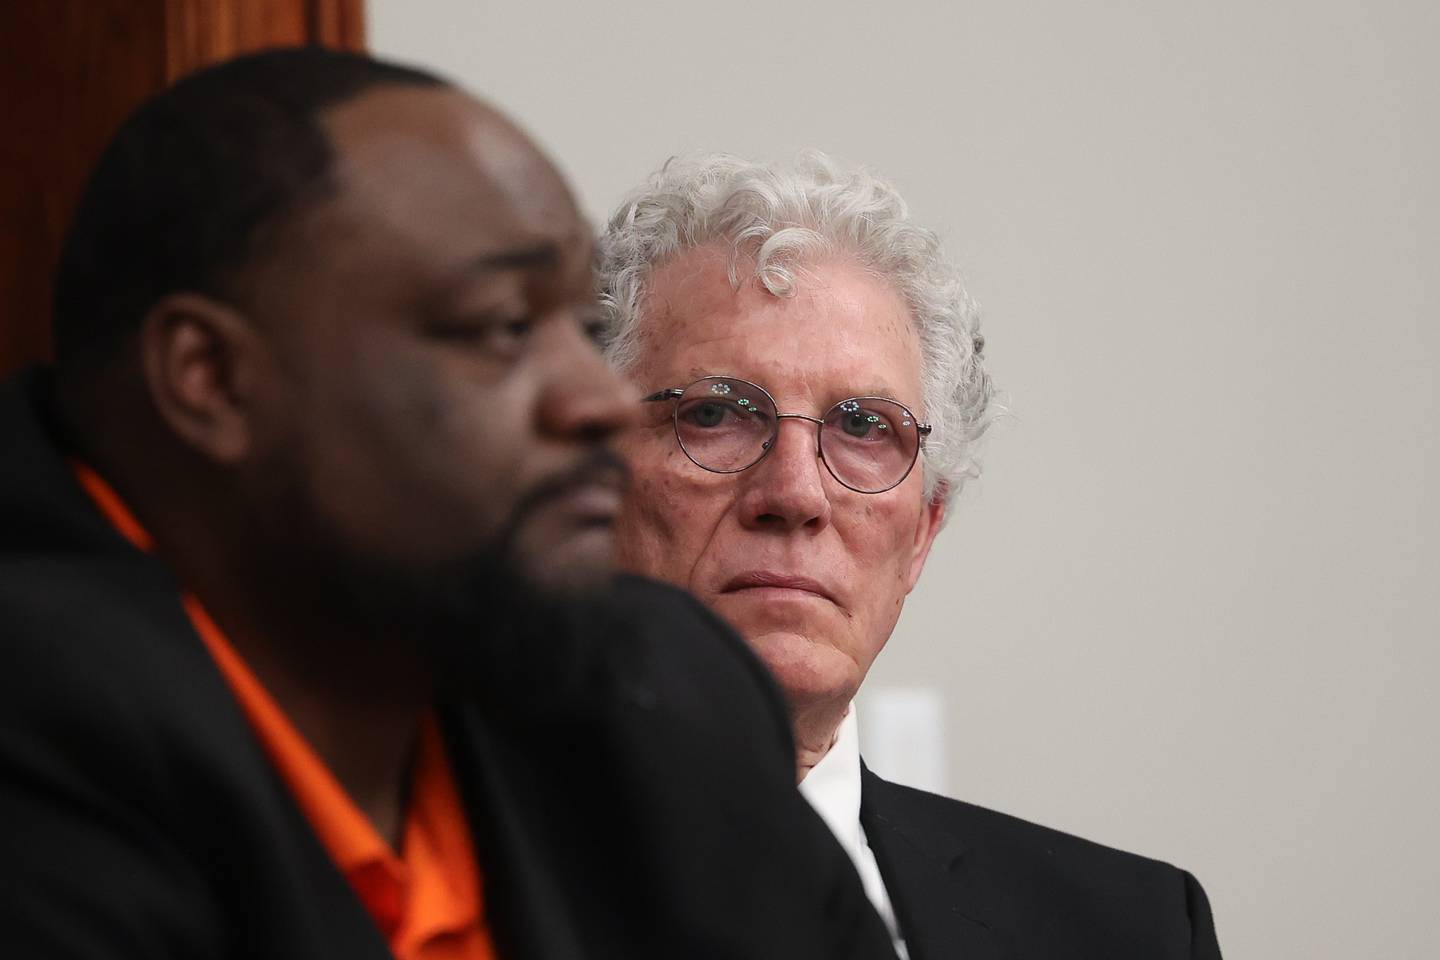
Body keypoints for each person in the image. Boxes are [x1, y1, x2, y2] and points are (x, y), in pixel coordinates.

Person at [0, 51, 898, 960]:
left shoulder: (660, 690)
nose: (598, 401)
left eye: (586, 333)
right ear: (214, 379)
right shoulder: (38, 729)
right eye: (502, 326)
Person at [598, 151, 1224, 959]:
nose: (795, 494)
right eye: (717, 412)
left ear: (923, 531)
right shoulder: (415, 887)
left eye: (863, 427)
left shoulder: (1133, 931)